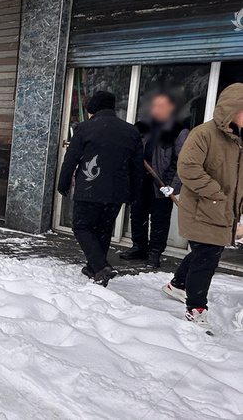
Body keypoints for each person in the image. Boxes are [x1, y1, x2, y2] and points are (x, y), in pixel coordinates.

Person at [162, 83, 243, 333]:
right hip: (202, 209)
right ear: (232, 110)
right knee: (207, 257)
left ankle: (177, 284)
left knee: (203, 253)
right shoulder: (203, 134)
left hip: (224, 210)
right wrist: (217, 194)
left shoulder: (240, 140)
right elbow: (187, 168)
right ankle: (196, 307)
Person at [58, 91, 144, 287]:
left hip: (89, 186)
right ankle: (93, 268)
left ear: (93, 110)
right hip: (117, 191)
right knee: (103, 229)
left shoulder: (85, 128)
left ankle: (100, 266)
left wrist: (63, 185)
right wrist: (134, 193)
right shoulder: (131, 131)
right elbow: (137, 166)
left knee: (81, 227)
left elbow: (71, 159)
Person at [121, 92, 189, 268]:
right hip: (141, 180)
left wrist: (173, 186)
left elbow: (182, 162)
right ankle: (139, 247)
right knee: (137, 215)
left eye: (161, 105)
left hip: (161, 183)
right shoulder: (142, 127)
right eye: (154, 105)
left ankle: (154, 253)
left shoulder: (178, 131)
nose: (156, 109)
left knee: (159, 219)